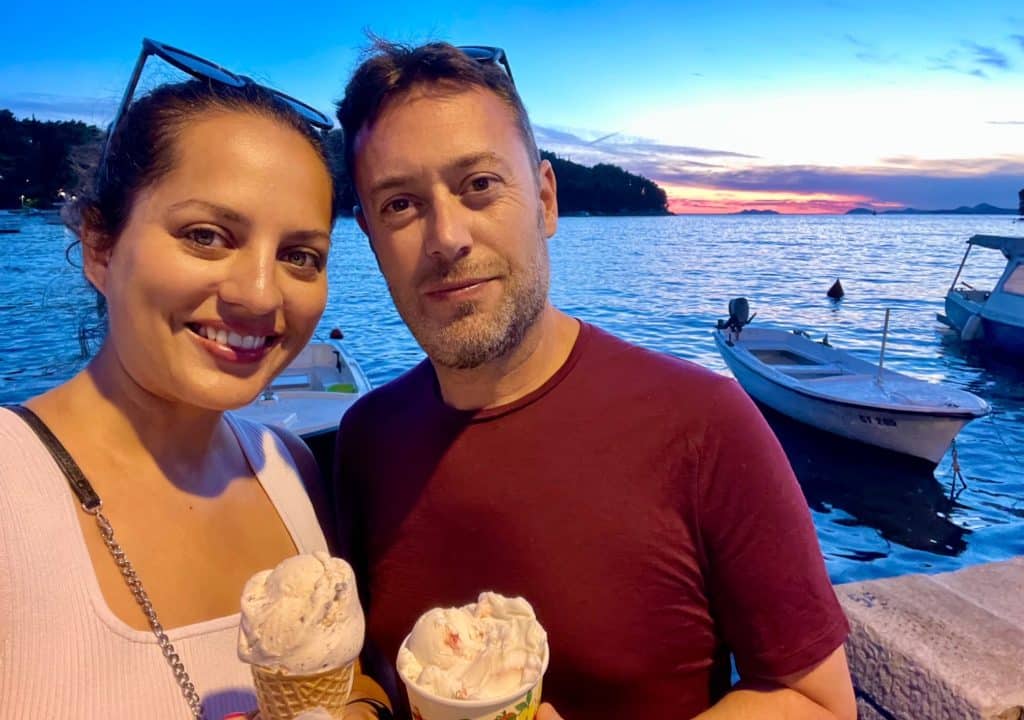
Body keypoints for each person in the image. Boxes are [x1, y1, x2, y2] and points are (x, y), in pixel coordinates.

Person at [332, 40, 856, 719]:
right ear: (370, 238)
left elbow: (816, 701)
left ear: (545, 201)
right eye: (400, 204)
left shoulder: (703, 424)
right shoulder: (366, 442)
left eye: (479, 185)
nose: (447, 238)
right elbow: (367, 677)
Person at [0, 39, 388, 720]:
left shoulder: (290, 468)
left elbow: (350, 683)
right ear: (101, 245)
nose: (261, 295)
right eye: (207, 235)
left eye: (300, 255)